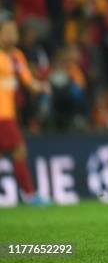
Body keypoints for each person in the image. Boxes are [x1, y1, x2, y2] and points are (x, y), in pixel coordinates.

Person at [0, 12, 50, 206]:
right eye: (7, 32)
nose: (11, 35)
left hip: (8, 114)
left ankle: (29, 194)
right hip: (2, 115)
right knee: (19, 150)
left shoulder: (17, 57)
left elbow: (28, 81)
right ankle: (29, 194)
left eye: (14, 31)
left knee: (16, 150)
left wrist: (41, 86)